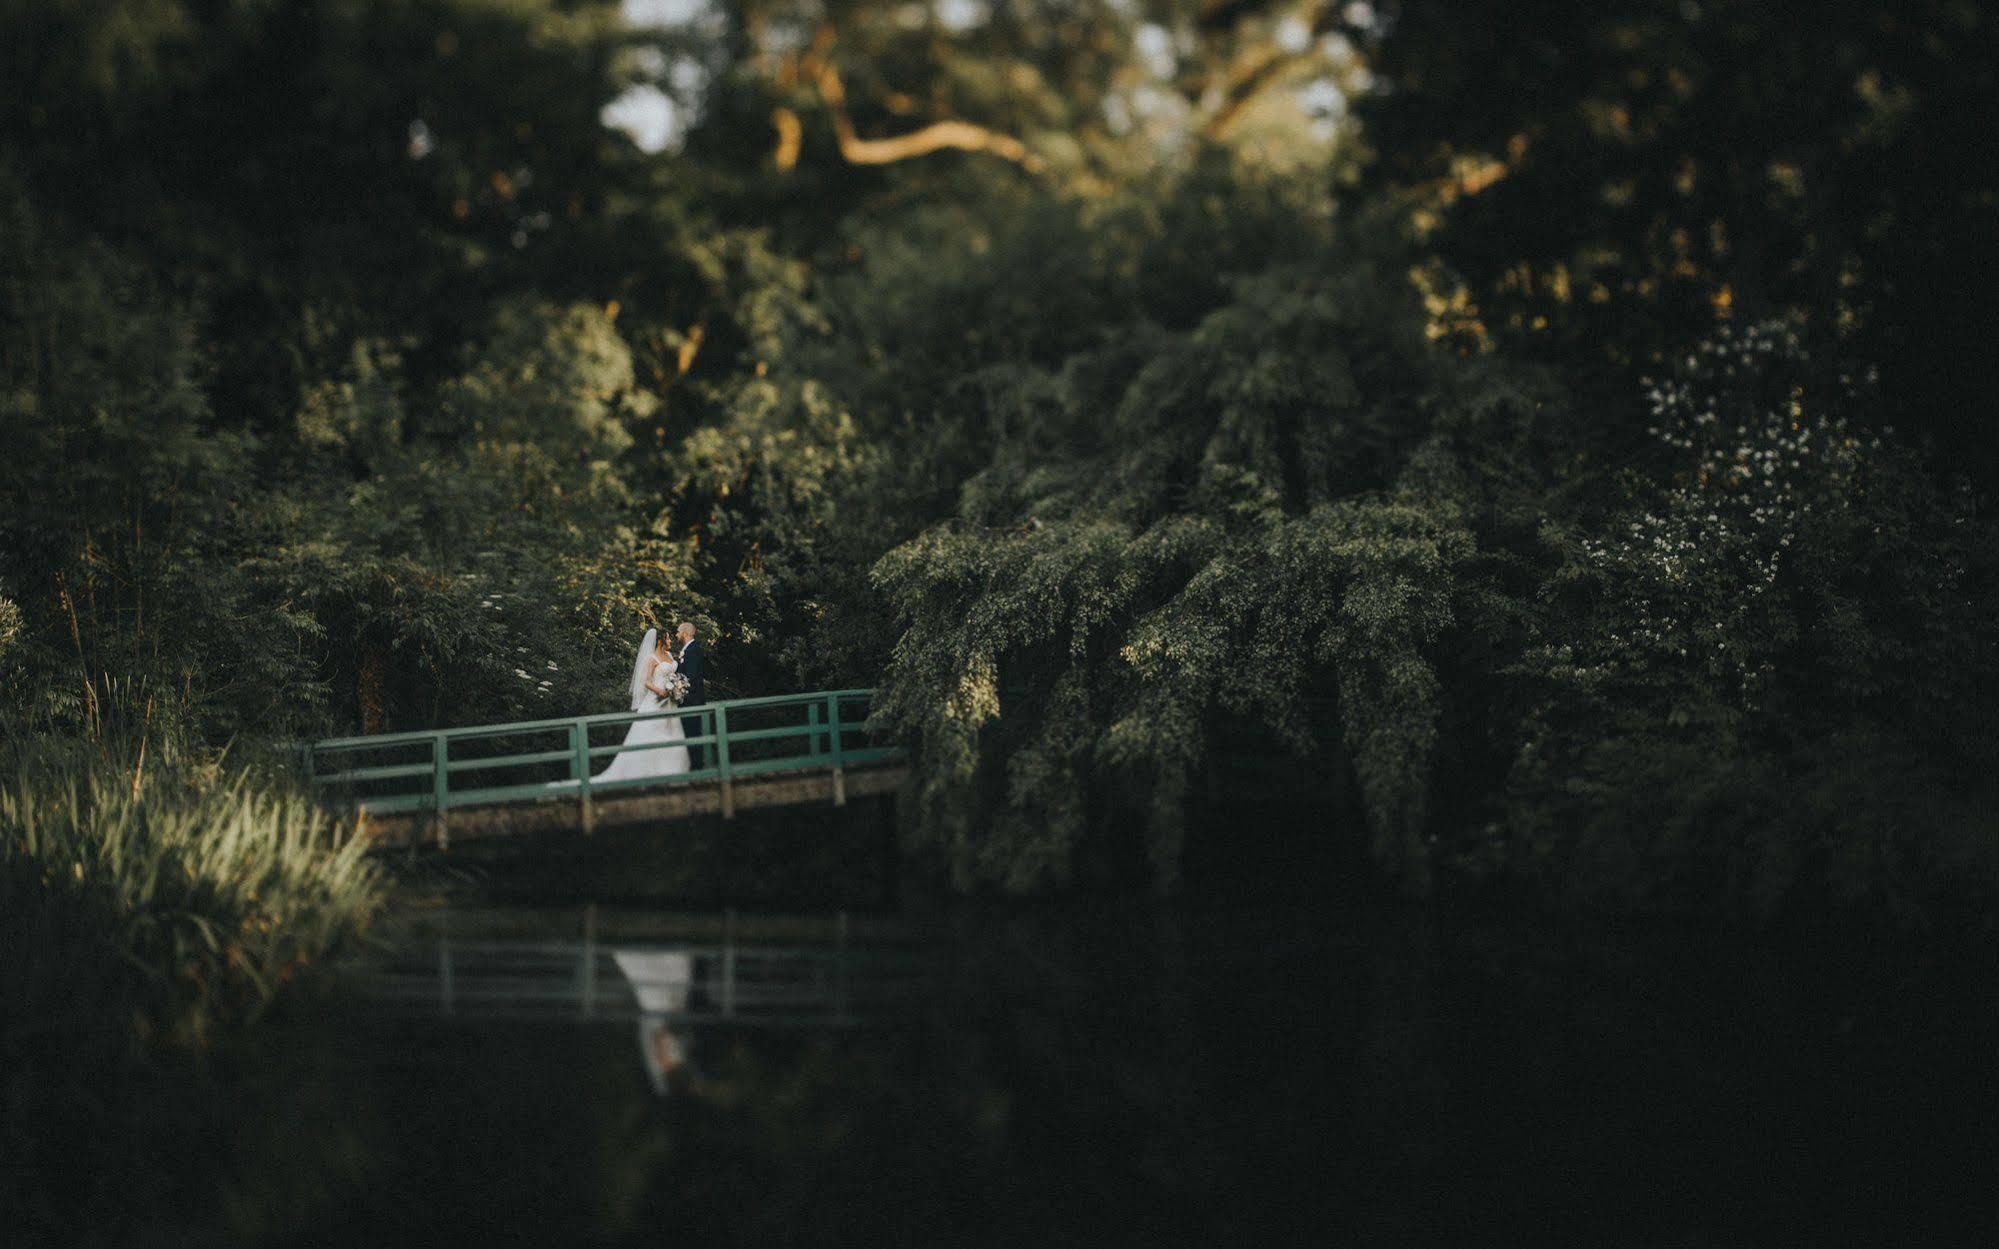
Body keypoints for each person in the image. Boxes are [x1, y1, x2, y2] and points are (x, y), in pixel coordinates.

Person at [591, 627, 690, 783]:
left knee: (671, 734)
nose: (670, 641)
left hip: (670, 701)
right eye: (668, 638)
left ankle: (672, 771)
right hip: (656, 700)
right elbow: (646, 682)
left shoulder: (670, 656)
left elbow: (673, 675)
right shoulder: (651, 659)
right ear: (660, 641)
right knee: (652, 735)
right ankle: (649, 772)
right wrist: (659, 691)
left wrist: (677, 686)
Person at [674, 620, 709, 769]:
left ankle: (697, 768)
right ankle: (693, 766)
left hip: (692, 700)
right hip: (687, 700)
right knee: (689, 733)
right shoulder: (688, 649)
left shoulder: (693, 649)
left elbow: (691, 676)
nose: (676, 634)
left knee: (693, 733)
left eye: (678, 631)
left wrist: (675, 687)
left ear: (685, 633)